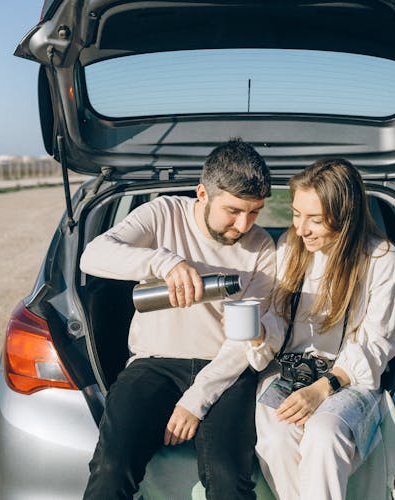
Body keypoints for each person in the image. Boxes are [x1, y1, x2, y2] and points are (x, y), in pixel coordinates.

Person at [79, 138, 276, 500]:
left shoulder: (262, 247)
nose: (244, 225)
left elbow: (245, 339)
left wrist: (194, 401)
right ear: (203, 193)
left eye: (255, 212)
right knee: (111, 466)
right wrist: (163, 261)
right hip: (153, 365)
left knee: (228, 476)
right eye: (233, 211)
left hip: (226, 371)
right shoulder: (163, 214)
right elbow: (92, 256)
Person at [247, 158, 395, 500]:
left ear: (345, 218)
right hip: (287, 369)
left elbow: (379, 343)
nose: (301, 229)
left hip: (349, 376)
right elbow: (278, 321)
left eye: (315, 220)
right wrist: (259, 333)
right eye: (295, 214)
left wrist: (323, 388)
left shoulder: (382, 260)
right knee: (276, 438)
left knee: (324, 434)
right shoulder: (290, 248)